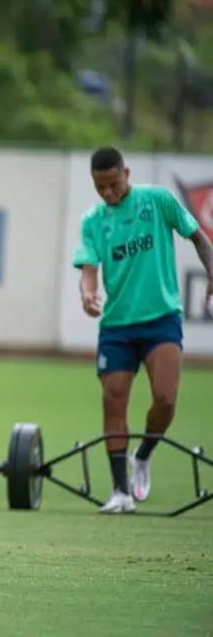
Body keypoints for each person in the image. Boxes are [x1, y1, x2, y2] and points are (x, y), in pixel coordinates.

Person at [72, 146, 213, 514]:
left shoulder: (159, 201)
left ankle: (144, 454)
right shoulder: (93, 220)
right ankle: (120, 491)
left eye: (113, 184)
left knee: (165, 399)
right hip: (117, 325)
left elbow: (198, 237)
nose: (107, 193)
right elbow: (88, 270)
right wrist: (88, 296)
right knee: (113, 396)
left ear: (127, 174)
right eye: (99, 186)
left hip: (161, 318)